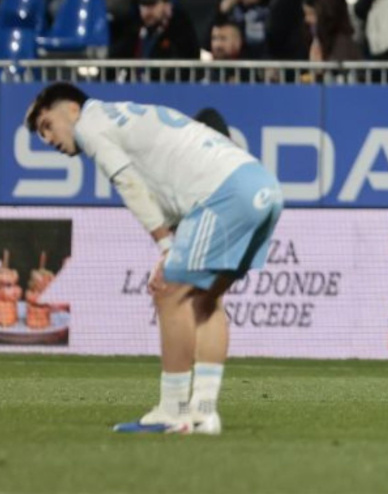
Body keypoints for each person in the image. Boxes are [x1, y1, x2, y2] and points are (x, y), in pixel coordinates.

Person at [25, 83, 283, 434]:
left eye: (46, 125)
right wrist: (171, 247)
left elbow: (129, 184)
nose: (47, 138)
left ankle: (172, 410)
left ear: (71, 109)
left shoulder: (90, 124)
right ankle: (203, 412)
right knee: (205, 298)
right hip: (262, 187)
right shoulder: (125, 117)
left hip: (226, 192)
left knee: (169, 292)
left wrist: (165, 248)